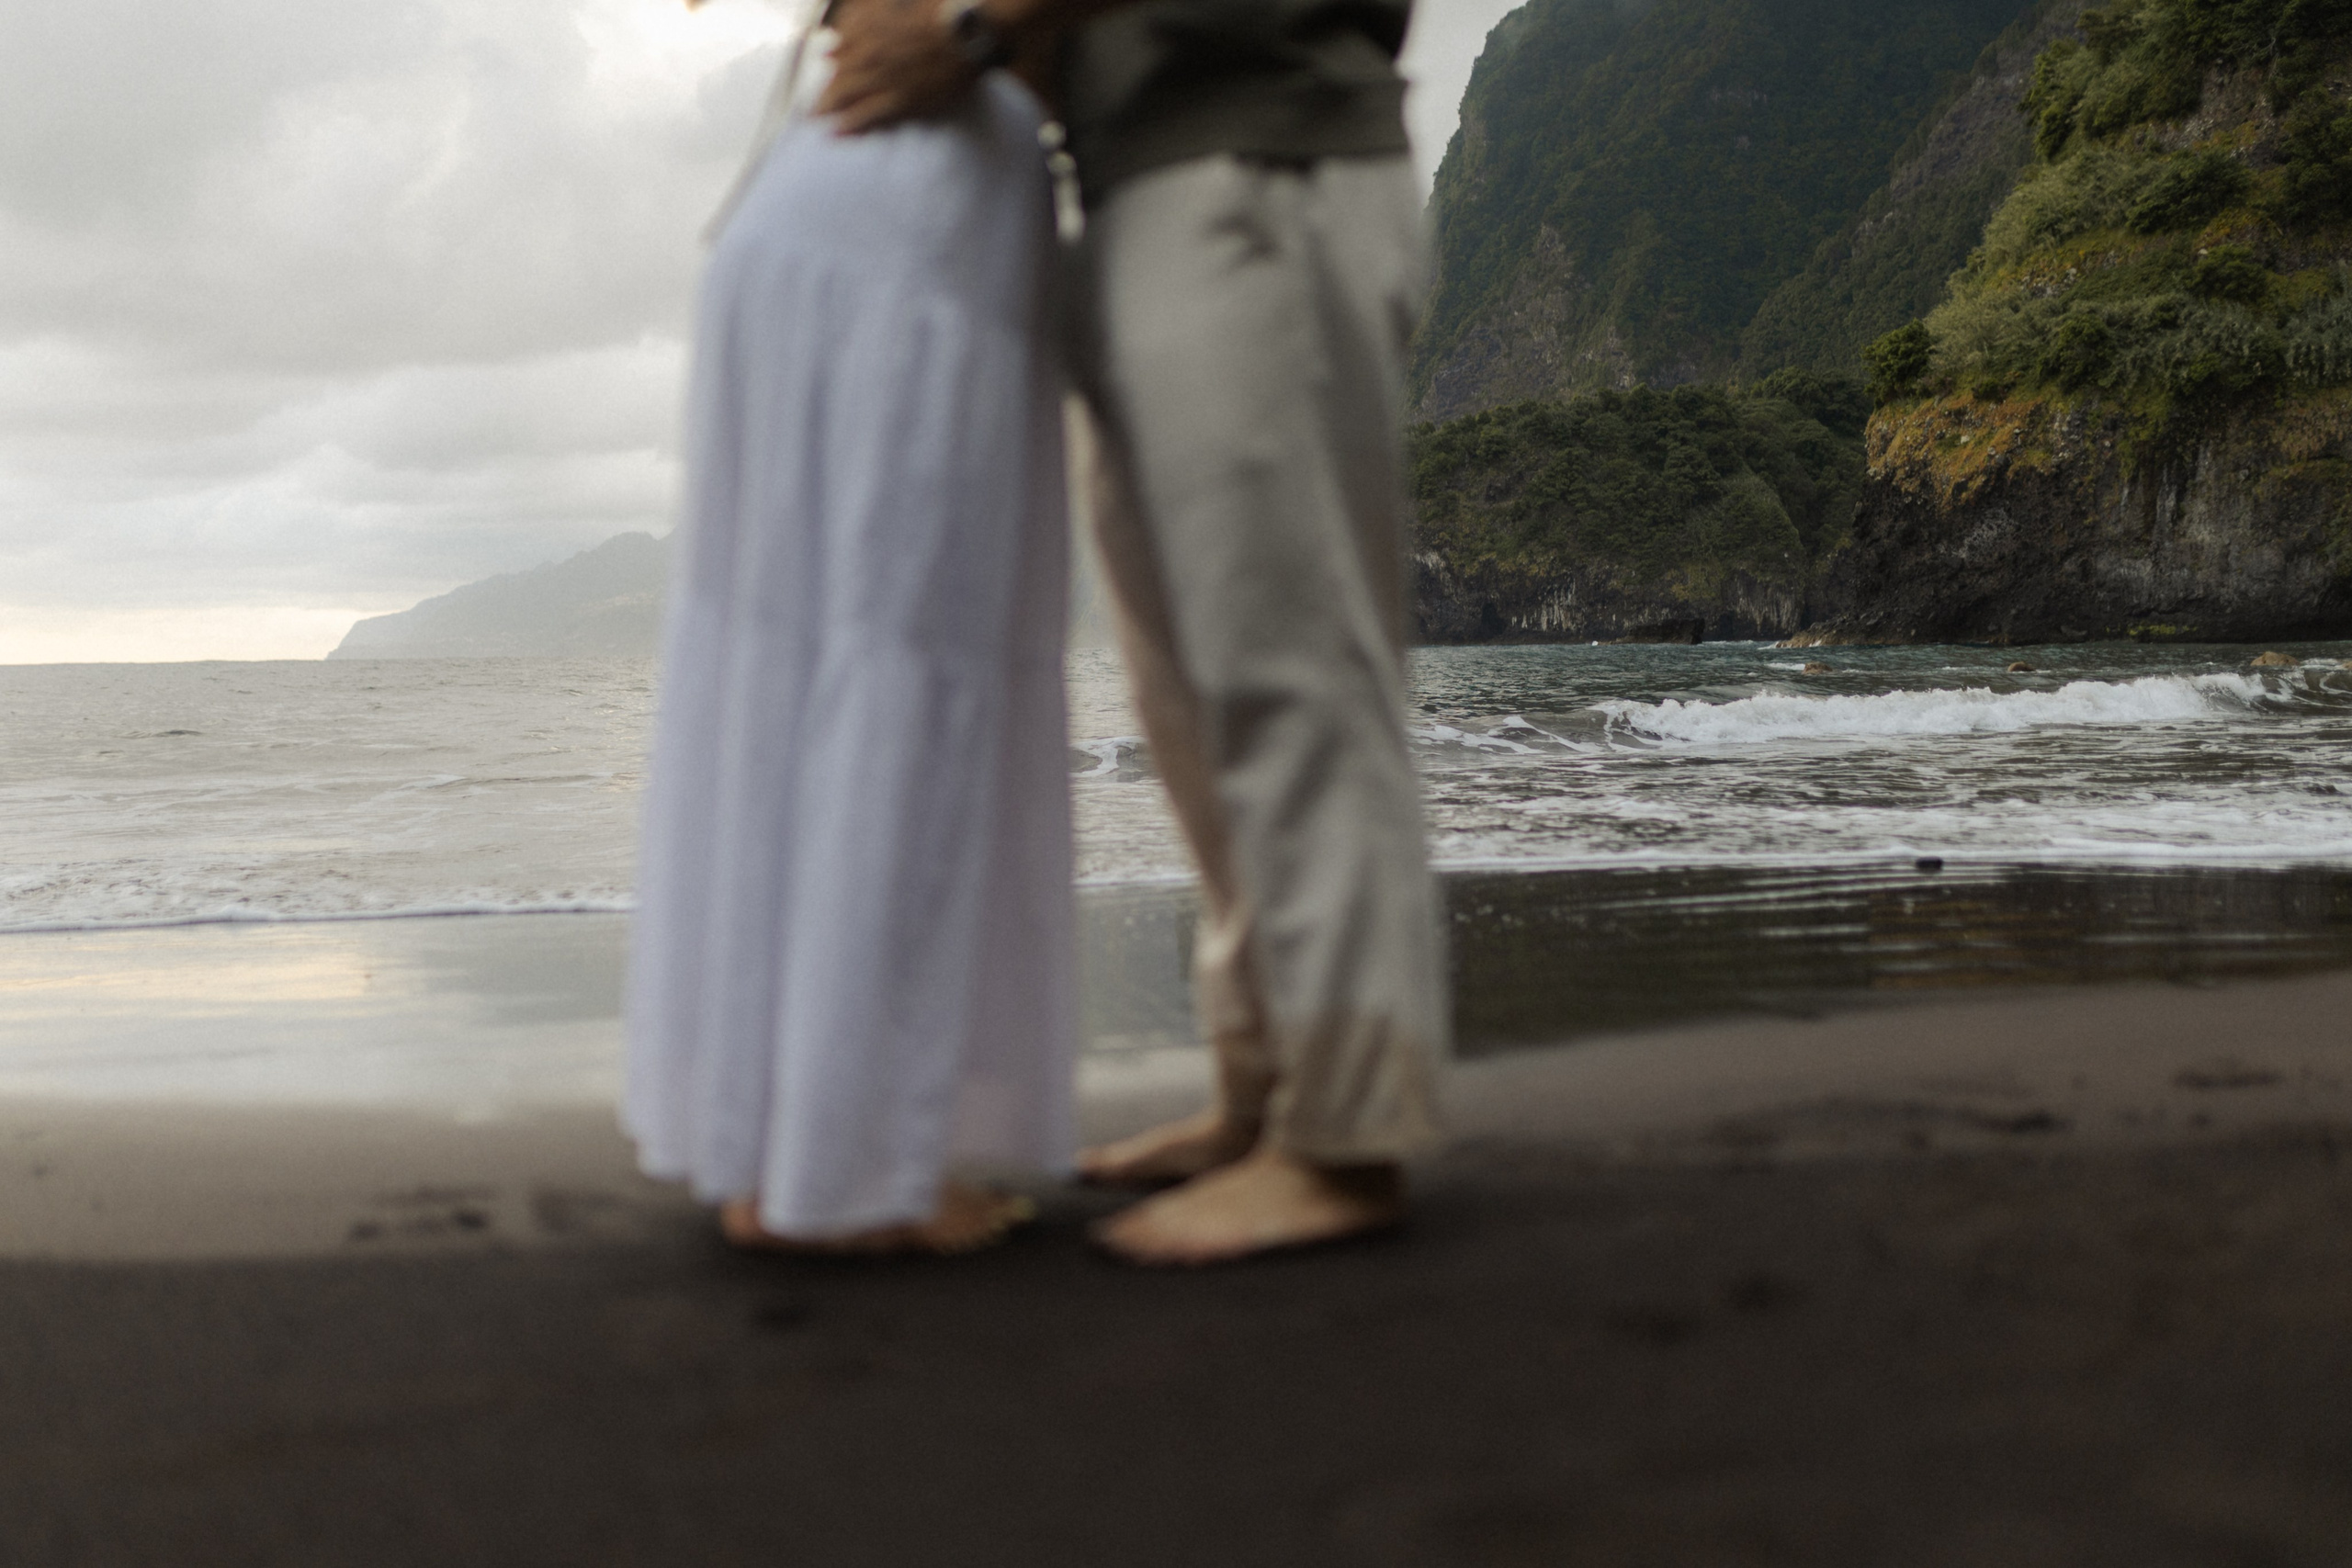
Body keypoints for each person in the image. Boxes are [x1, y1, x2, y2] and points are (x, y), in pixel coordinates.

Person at [825, 0, 1450, 1265]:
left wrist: (969, 21)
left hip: (1257, 163)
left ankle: (1346, 1136)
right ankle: (1265, 1087)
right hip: (1136, 177)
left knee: (1286, 661)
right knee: (1187, 689)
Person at [622, 0, 1076, 1255]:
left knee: (792, 654)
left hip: (808, 199)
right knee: (903, 648)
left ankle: (777, 1139)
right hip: (915, 190)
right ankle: (859, 1164)